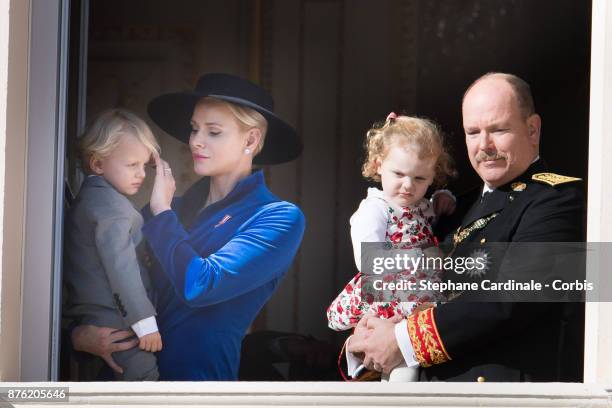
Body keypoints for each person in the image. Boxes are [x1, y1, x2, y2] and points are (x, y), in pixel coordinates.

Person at [347, 72, 585, 382]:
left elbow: (513, 298)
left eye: (498, 130)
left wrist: (401, 341)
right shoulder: (452, 208)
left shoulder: (556, 198)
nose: (484, 145)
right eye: (473, 132)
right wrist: (374, 332)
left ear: (532, 129)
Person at [71, 73, 305, 381]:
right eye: (195, 129)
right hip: (121, 382)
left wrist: (162, 213)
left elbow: (201, 285)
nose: (195, 140)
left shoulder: (277, 217)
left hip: (197, 387)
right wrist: (76, 336)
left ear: (251, 140)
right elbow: (98, 272)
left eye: (214, 131)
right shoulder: (170, 209)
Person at [326, 113, 455, 381]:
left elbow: (431, 213)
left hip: (420, 291)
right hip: (391, 291)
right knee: (401, 360)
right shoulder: (375, 208)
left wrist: (444, 198)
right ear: (378, 164)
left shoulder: (421, 206)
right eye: (399, 174)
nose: (408, 185)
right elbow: (368, 260)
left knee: (417, 356)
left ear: (433, 177)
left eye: (420, 178)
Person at [64, 109, 162, 380]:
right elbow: (122, 268)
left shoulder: (92, 200)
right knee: (144, 381)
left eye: (144, 165)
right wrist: (144, 323)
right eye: (132, 165)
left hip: (98, 319)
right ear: (97, 164)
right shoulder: (111, 208)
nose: (142, 174)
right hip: (117, 324)